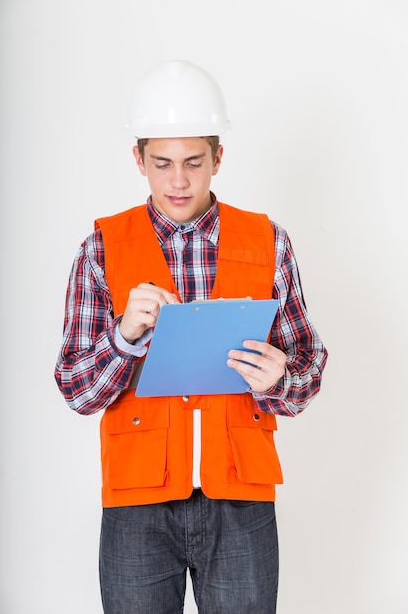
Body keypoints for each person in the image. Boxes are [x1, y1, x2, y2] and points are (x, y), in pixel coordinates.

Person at [55, 60, 328, 614]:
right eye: (161, 163)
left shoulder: (268, 242)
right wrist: (125, 335)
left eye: (193, 162)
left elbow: (308, 366)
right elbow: (76, 391)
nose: (178, 180)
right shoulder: (102, 250)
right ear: (138, 160)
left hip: (240, 500)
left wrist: (284, 377)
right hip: (138, 503)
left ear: (218, 158)